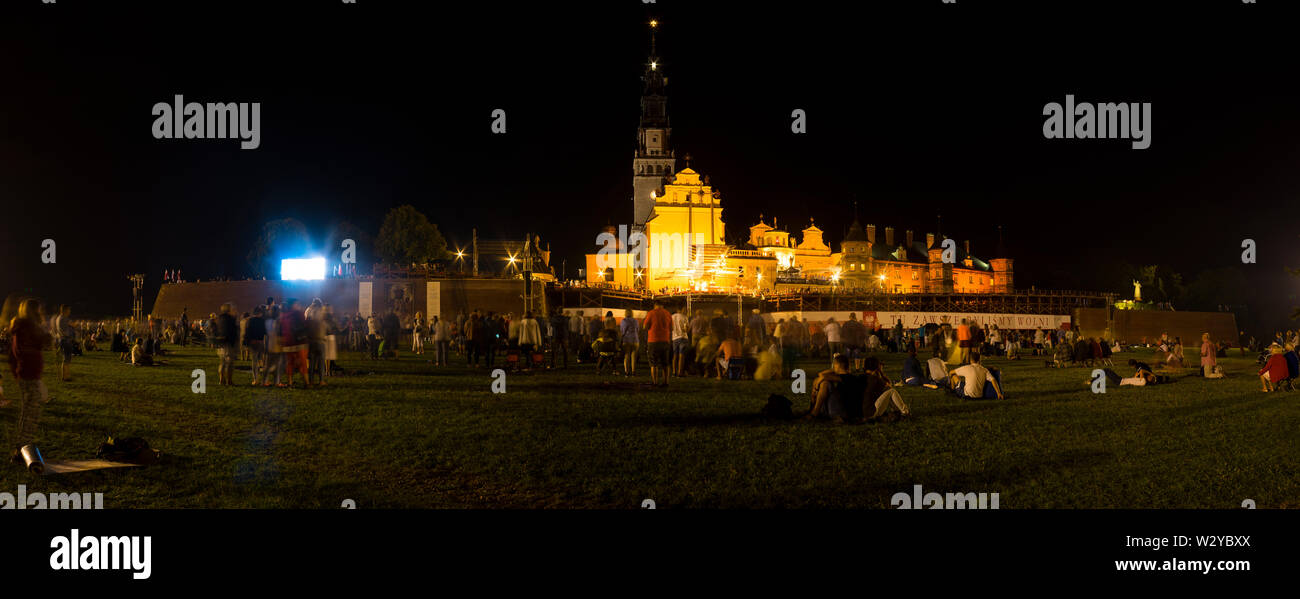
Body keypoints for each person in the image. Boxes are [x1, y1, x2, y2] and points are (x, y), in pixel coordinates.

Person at [7, 299, 50, 462]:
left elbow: (14, 353)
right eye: (38, 310)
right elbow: (27, 350)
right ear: (32, 311)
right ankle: (21, 450)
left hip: (26, 375)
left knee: (28, 412)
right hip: (29, 375)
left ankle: (20, 448)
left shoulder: (22, 328)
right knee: (31, 414)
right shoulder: (27, 329)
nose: (40, 312)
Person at [279, 299, 311, 388]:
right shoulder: (298, 314)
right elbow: (305, 324)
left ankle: (290, 382)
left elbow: (282, 329)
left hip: (288, 343)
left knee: (290, 363)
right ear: (294, 305)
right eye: (297, 304)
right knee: (303, 363)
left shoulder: (284, 316)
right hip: (300, 342)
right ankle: (307, 382)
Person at [643, 300, 673, 387]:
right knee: (665, 363)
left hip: (653, 341)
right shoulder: (668, 314)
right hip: (665, 341)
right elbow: (672, 328)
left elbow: (645, 326)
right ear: (662, 305)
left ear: (655, 305)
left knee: (654, 363)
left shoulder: (651, 313)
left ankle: (655, 382)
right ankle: (666, 382)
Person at [213, 303, 239, 386]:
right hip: (229, 344)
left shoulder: (220, 319)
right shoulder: (230, 319)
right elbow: (232, 332)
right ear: (229, 310)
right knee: (229, 363)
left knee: (223, 362)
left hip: (221, 344)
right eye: (232, 309)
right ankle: (229, 381)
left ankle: (221, 380)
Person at [245, 306, 268, 385]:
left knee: (254, 361)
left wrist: (247, 343)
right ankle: (264, 380)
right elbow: (265, 332)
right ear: (260, 313)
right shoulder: (263, 321)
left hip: (253, 343)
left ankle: (256, 379)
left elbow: (247, 332)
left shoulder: (250, 320)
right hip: (261, 342)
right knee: (262, 361)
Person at [52, 304, 75, 382]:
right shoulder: (64, 318)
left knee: (65, 358)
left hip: (61, 339)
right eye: (69, 310)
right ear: (65, 310)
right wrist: (75, 325)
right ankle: (65, 376)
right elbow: (72, 325)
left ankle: (66, 376)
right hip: (65, 340)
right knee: (67, 359)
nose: (70, 311)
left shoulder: (58, 318)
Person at [618, 309, 640, 376]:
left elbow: (622, 331)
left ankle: (627, 372)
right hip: (635, 340)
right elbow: (638, 329)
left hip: (627, 340)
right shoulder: (635, 320)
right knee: (634, 357)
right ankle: (633, 371)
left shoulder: (624, 321)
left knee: (627, 356)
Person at [671, 305, 690, 377]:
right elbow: (687, 329)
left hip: (674, 338)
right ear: (681, 309)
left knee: (675, 355)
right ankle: (680, 372)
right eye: (684, 308)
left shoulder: (672, 317)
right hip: (683, 337)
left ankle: (673, 372)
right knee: (681, 356)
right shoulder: (684, 317)